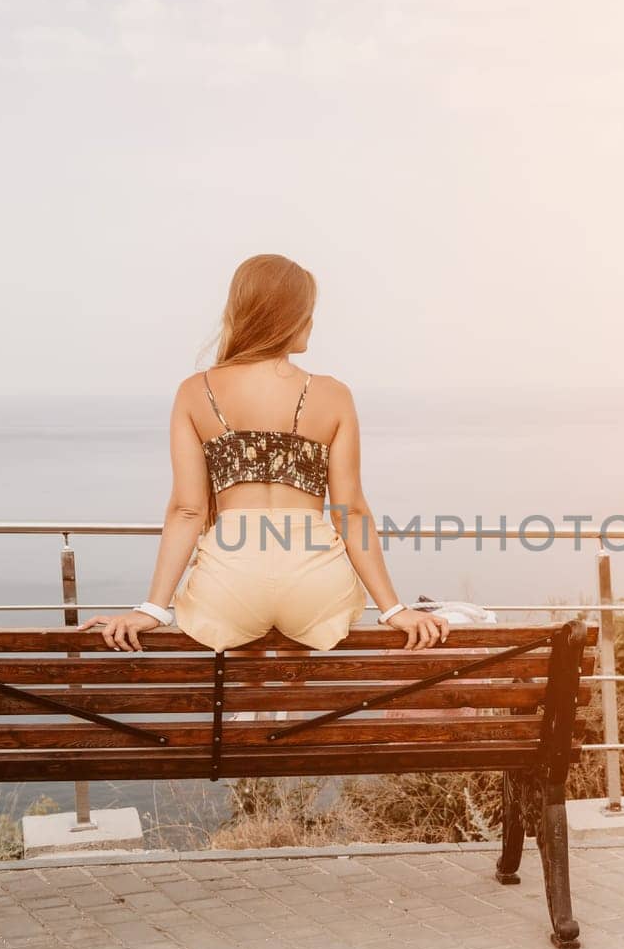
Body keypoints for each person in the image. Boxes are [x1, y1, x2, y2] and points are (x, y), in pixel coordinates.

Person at [78, 253, 449, 654]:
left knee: (229, 642)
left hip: (229, 588)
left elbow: (187, 511)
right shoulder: (332, 395)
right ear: (289, 316)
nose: (311, 323)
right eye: (308, 312)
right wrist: (392, 608)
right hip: (316, 586)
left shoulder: (195, 392)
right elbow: (351, 512)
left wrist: (153, 608)